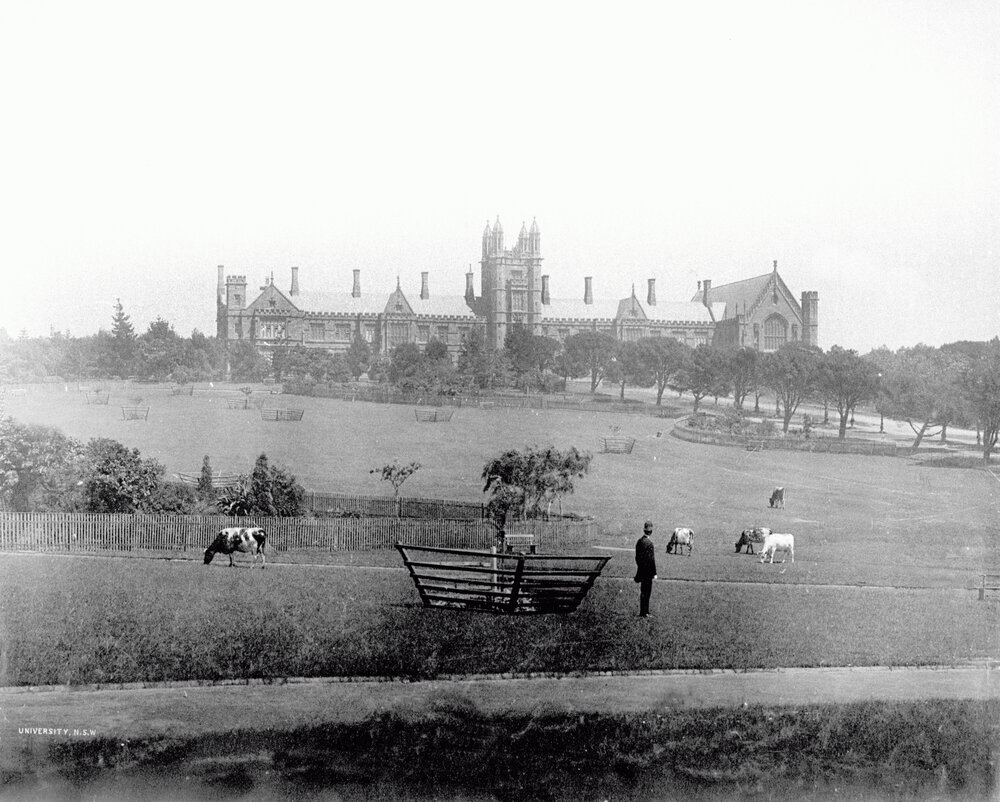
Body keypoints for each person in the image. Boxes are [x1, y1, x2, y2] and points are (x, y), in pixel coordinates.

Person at [634, 520, 657, 617]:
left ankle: (642, 611)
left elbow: (637, 558)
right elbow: (651, 560)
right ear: (651, 531)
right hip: (648, 572)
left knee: (643, 592)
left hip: (641, 570)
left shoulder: (639, 542)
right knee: (647, 592)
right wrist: (654, 573)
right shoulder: (650, 544)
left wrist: (640, 567)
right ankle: (645, 612)